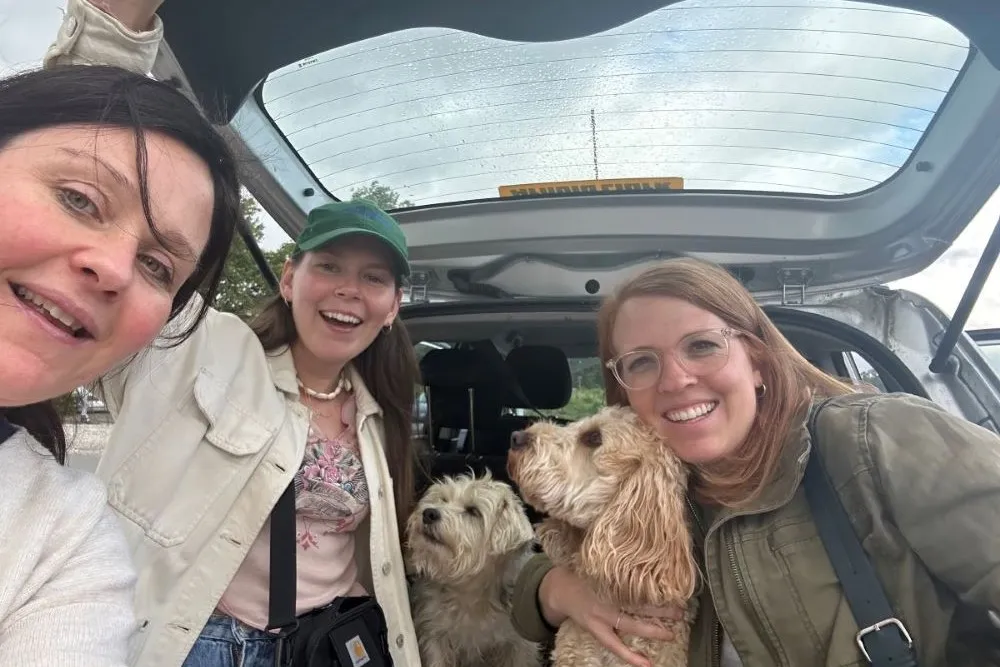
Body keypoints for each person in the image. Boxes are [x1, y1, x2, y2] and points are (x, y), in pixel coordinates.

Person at [45, 4, 425, 666]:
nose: (347, 290)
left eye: (372, 278)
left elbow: (382, 569)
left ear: (392, 306)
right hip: (196, 643)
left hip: (327, 647)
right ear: (288, 279)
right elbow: (73, 168)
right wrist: (115, 31)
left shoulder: (382, 414)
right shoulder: (196, 347)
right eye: (329, 266)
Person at [510, 257, 1000, 667]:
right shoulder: (641, 487)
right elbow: (534, 569)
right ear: (625, 397)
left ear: (758, 362)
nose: (675, 380)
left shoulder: (877, 437)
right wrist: (558, 590)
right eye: (642, 361)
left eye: (701, 346)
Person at [0, 63, 241, 666]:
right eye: (78, 199)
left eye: (158, 266)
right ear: (289, 279)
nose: (113, 268)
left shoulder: (65, 535)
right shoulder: (225, 348)